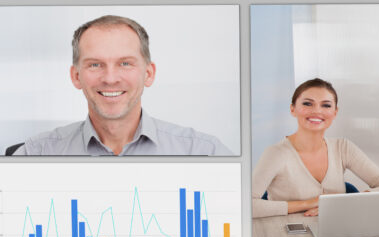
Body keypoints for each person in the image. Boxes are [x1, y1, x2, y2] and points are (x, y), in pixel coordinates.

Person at [15, 14, 229, 157]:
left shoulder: (204, 152)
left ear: (148, 73)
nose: (110, 78)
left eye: (125, 63)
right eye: (95, 64)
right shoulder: (36, 154)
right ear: (76, 76)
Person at [250, 78, 379, 217]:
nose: (317, 111)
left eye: (326, 105)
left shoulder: (343, 147)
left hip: (336, 232)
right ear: (292, 109)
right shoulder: (276, 154)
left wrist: (346, 203)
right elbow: (246, 205)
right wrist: (308, 203)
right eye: (307, 103)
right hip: (287, 236)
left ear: (335, 112)